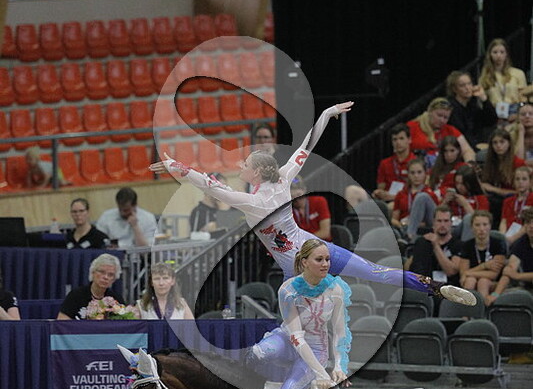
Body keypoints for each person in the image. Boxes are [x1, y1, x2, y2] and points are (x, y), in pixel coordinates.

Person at [150, 102, 476, 307]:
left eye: (245, 164)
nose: (240, 166)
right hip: (317, 247)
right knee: (375, 272)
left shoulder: (253, 202)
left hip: (297, 266)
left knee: (298, 323)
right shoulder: (283, 178)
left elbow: (212, 186)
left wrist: (178, 167)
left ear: (258, 172)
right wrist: (326, 114)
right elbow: (306, 146)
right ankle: (434, 286)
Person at [243, 240, 351, 389]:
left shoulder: (336, 290)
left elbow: (340, 332)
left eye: (327, 259)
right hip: (288, 339)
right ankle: (251, 384)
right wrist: (322, 375)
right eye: (319, 259)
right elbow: (296, 336)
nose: (325, 264)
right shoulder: (288, 289)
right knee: (258, 353)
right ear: (304, 262)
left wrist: (339, 365)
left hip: (316, 349)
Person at [407, 97, 476, 168]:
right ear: (430, 111)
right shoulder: (412, 126)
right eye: (439, 115)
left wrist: (469, 165)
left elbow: (467, 150)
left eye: (445, 117)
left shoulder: (450, 130)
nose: (442, 120)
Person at [406, 205, 461, 289]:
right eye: (439, 221)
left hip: (448, 287)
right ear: (433, 222)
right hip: (424, 285)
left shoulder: (458, 244)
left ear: (451, 223)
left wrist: (436, 246)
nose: (442, 224)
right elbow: (410, 267)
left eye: (446, 221)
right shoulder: (423, 242)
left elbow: (451, 271)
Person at [458, 209, 507, 305]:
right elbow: (463, 273)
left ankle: (484, 309)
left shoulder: (498, 244)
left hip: (493, 283)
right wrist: (484, 266)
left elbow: (494, 274)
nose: (481, 229)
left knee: (482, 282)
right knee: (470, 280)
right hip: (472, 280)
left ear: (490, 226)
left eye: (485, 224)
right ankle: (467, 311)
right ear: (472, 227)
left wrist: (469, 272)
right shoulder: (466, 246)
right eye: (477, 225)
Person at [479, 38, 532, 123]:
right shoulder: (485, 77)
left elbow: (523, 98)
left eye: (502, 52)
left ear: (506, 54)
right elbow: (482, 102)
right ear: (490, 55)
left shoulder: (518, 73)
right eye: (495, 52)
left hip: (515, 112)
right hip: (494, 114)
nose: (498, 56)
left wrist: (518, 115)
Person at [57, 253, 125, 320]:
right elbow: (62, 321)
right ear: (93, 272)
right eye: (102, 272)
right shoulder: (76, 295)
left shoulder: (116, 299)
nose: (105, 277)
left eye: (110, 275)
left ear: (114, 279)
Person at [480, 127, 525, 227]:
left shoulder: (517, 163)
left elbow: (521, 192)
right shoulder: (490, 163)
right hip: (496, 199)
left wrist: (494, 189)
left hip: (513, 199)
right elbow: (486, 184)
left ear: (509, 143)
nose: (498, 146)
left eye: (502, 142)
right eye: (495, 143)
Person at [446, 70, 498, 150]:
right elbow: (462, 132)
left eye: (469, 84)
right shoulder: (451, 108)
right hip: (461, 147)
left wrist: (484, 99)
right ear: (454, 89)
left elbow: (492, 120)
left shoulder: (472, 105)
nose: (467, 88)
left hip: (478, 145)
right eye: (462, 85)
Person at [491, 206, 533, 302]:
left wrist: (517, 276)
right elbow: (509, 270)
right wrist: (495, 294)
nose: (531, 226)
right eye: (528, 222)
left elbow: (514, 274)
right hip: (527, 287)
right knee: (506, 297)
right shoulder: (521, 243)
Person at [391, 158, 439, 241]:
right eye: (412, 173)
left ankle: (409, 236)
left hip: (425, 228)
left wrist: (413, 223)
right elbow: (394, 218)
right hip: (403, 227)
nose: (416, 176)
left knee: (422, 197)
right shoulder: (401, 194)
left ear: (425, 173)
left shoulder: (431, 194)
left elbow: (433, 219)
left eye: (419, 172)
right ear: (408, 175)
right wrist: (401, 224)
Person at [443, 165, 490, 241]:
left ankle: (465, 247)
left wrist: (465, 204)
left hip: (468, 230)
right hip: (450, 227)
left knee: (468, 218)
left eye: (462, 184)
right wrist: (444, 202)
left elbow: (480, 222)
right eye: (457, 183)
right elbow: (438, 216)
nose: (459, 187)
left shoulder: (481, 199)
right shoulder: (452, 196)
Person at [372, 123, 415, 206]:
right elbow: (381, 188)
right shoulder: (385, 163)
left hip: (408, 202)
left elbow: (417, 191)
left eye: (401, 138)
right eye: (395, 139)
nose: (398, 142)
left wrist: (395, 197)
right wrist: (379, 193)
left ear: (409, 140)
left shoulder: (416, 163)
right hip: (387, 201)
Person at [290, 176, 332, 241]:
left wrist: (305, 240)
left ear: (305, 190)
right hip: (302, 244)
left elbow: (325, 233)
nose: (297, 200)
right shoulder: (288, 210)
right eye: (293, 198)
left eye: (299, 195)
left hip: (322, 242)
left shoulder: (319, 201)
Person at [499, 167, 533, 245]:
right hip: (508, 235)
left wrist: (512, 239)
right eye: (517, 179)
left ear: (530, 182)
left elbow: (528, 224)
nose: (520, 182)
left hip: (525, 236)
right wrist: (503, 236)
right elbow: (503, 221)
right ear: (513, 182)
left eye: (524, 179)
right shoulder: (507, 201)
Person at [510, 102, 533, 167]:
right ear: (518, 118)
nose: (527, 116)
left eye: (531, 114)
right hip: (520, 171)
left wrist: (523, 163)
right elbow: (518, 162)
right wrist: (521, 133)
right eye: (523, 114)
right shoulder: (511, 135)